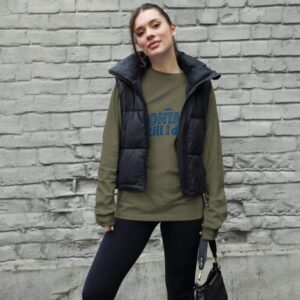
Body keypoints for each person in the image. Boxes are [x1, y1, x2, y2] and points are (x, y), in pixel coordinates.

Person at [82, 3, 227, 300]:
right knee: (96, 291)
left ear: (172, 28)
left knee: (180, 293)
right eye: (140, 32)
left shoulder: (199, 86)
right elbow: (111, 146)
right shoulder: (127, 85)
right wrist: (104, 203)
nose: (149, 34)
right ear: (137, 44)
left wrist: (214, 214)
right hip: (135, 205)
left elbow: (212, 153)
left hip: (185, 207)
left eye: (155, 25)